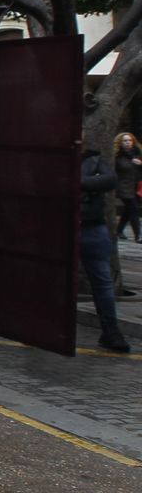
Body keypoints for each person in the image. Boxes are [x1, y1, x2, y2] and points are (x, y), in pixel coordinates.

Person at [80, 141, 131, 352]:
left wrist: (79, 182)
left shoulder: (93, 158)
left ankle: (111, 332)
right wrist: (92, 182)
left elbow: (110, 180)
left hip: (92, 228)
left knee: (103, 283)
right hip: (65, 228)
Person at [114, 132, 142, 242]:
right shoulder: (117, 157)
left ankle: (119, 230)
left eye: (129, 140)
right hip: (123, 187)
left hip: (136, 187)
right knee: (134, 209)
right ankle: (138, 235)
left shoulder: (137, 154)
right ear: (120, 143)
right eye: (125, 141)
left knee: (128, 210)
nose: (127, 143)